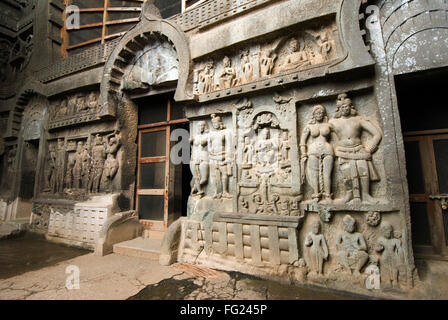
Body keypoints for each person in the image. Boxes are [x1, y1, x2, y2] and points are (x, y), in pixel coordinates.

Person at [329, 93, 382, 204]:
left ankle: (366, 195)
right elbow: (322, 132)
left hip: (359, 150)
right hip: (343, 151)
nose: (345, 109)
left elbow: (377, 133)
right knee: (347, 174)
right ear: (338, 108)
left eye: (347, 106)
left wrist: (371, 148)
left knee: (363, 172)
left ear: (351, 107)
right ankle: (349, 195)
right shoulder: (333, 122)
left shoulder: (359, 119)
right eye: (342, 107)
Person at [300, 105, 334, 203]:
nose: (319, 115)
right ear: (313, 115)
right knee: (314, 174)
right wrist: (303, 153)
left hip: (327, 149)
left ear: (323, 114)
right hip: (313, 150)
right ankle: (316, 195)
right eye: (316, 113)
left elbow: (338, 136)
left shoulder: (329, 125)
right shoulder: (309, 126)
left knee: (327, 174)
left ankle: (328, 195)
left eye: (321, 113)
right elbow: (303, 141)